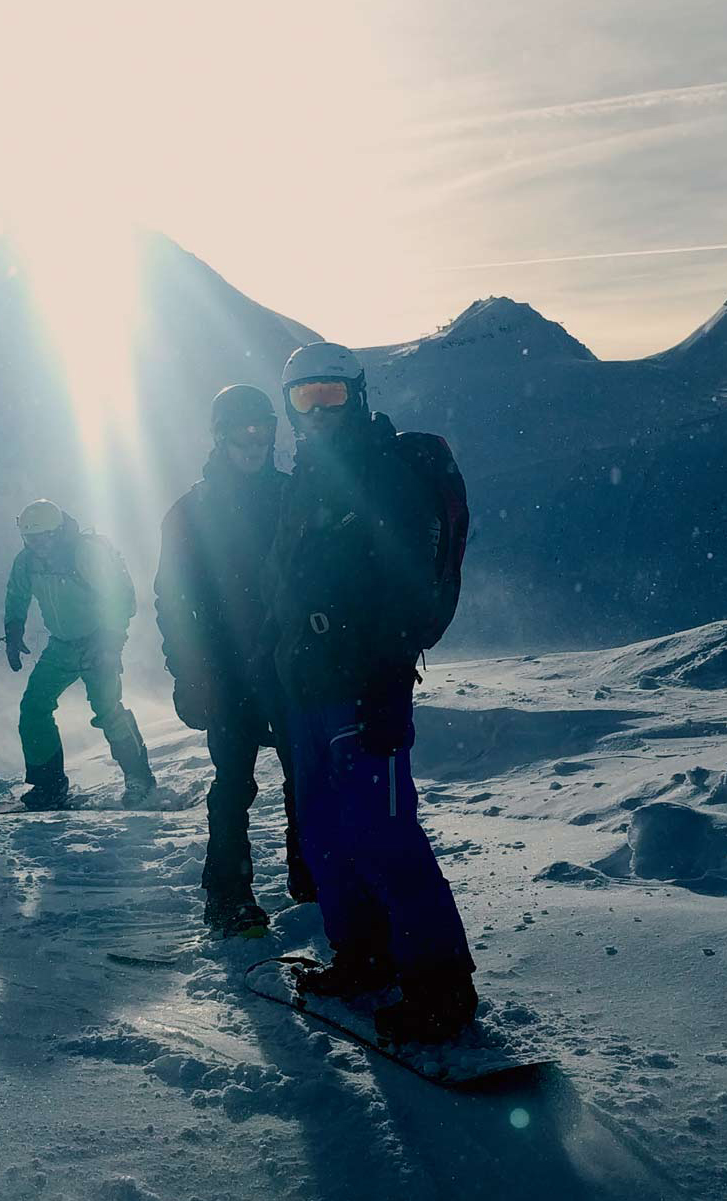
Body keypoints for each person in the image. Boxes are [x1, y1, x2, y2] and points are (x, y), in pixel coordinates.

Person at [264, 341, 477, 1043]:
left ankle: (441, 986)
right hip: (308, 688)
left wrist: (387, 678)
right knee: (324, 831)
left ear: (356, 394)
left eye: (330, 395)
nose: (318, 411)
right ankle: (364, 954)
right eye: (304, 398)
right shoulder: (307, 481)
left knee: (383, 833)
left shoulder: (385, 474)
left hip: (365, 686)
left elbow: (406, 583)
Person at [155, 385, 313, 938]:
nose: (254, 440)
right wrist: (190, 675)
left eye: (263, 429)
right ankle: (227, 896)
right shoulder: (192, 513)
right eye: (242, 431)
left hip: (293, 666)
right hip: (226, 672)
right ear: (220, 437)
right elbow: (172, 603)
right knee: (233, 784)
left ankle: (310, 877)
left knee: (305, 777)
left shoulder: (294, 496)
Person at [4, 499, 155, 809]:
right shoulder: (27, 562)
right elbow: (17, 593)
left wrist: (110, 643)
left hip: (98, 641)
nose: (36, 545)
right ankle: (49, 785)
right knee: (34, 707)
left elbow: (122, 597)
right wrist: (13, 629)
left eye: (42, 538)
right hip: (61, 645)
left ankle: (139, 778)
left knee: (107, 710)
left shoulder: (85, 553)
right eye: (29, 539)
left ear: (57, 532)